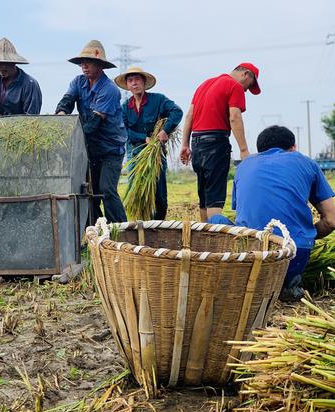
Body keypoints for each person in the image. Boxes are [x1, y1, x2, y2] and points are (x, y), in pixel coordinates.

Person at [210, 125, 335, 301]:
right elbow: (331, 219)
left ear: (260, 151)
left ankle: (239, 277)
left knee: (215, 219)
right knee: (298, 239)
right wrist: (308, 236)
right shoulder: (307, 163)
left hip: (251, 255)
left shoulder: (244, 166)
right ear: (293, 148)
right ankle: (289, 282)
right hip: (293, 254)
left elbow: (246, 214)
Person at [56, 40, 127, 223]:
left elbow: (93, 124)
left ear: (100, 65)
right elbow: (67, 100)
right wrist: (62, 114)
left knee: (106, 190)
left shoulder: (109, 89)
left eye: (89, 62)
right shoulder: (78, 82)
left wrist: (70, 139)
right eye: (82, 62)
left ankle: (121, 230)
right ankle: (97, 232)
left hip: (111, 148)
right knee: (89, 191)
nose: (84, 66)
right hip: (90, 147)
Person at [180, 63, 261, 222]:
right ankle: (212, 238)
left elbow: (189, 115)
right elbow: (234, 117)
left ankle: (203, 236)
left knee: (204, 195)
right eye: (248, 87)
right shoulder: (234, 86)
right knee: (215, 196)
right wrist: (244, 150)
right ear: (246, 74)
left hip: (197, 142)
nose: (245, 91)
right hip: (215, 143)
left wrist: (185, 145)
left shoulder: (204, 84)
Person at [115, 66, 183, 220]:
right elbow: (123, 130)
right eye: (130, 80)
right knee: (137, 191)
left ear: (144, 82)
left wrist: (165, 130)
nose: (134, 83)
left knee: (159, 193)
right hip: (135, 153)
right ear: (127, 85)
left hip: (156, 153)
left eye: (137, 79)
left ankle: (158, 224)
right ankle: (140, 224)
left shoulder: (158, 100)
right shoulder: (125, 107)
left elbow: (177, 112)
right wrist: (143, 138)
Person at [0, 37, 42, 117]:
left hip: (19, 126)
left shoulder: (30, 84)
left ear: (13, 63)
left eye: (4, 64)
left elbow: (32, 116)